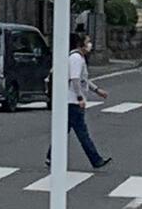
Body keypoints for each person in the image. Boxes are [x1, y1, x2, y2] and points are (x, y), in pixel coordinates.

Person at [46, 31, 112, 170]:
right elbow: (75, 79)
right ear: (81, 44)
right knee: (82, 133)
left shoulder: (77, 57)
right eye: (87, 42)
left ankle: (50, 157)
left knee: (63, 131)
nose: (90, 44)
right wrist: (80, 97)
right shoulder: (76, 58)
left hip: (70, 101)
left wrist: (97, 90)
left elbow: (83, 79)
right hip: (72, 102)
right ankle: (96, 159)